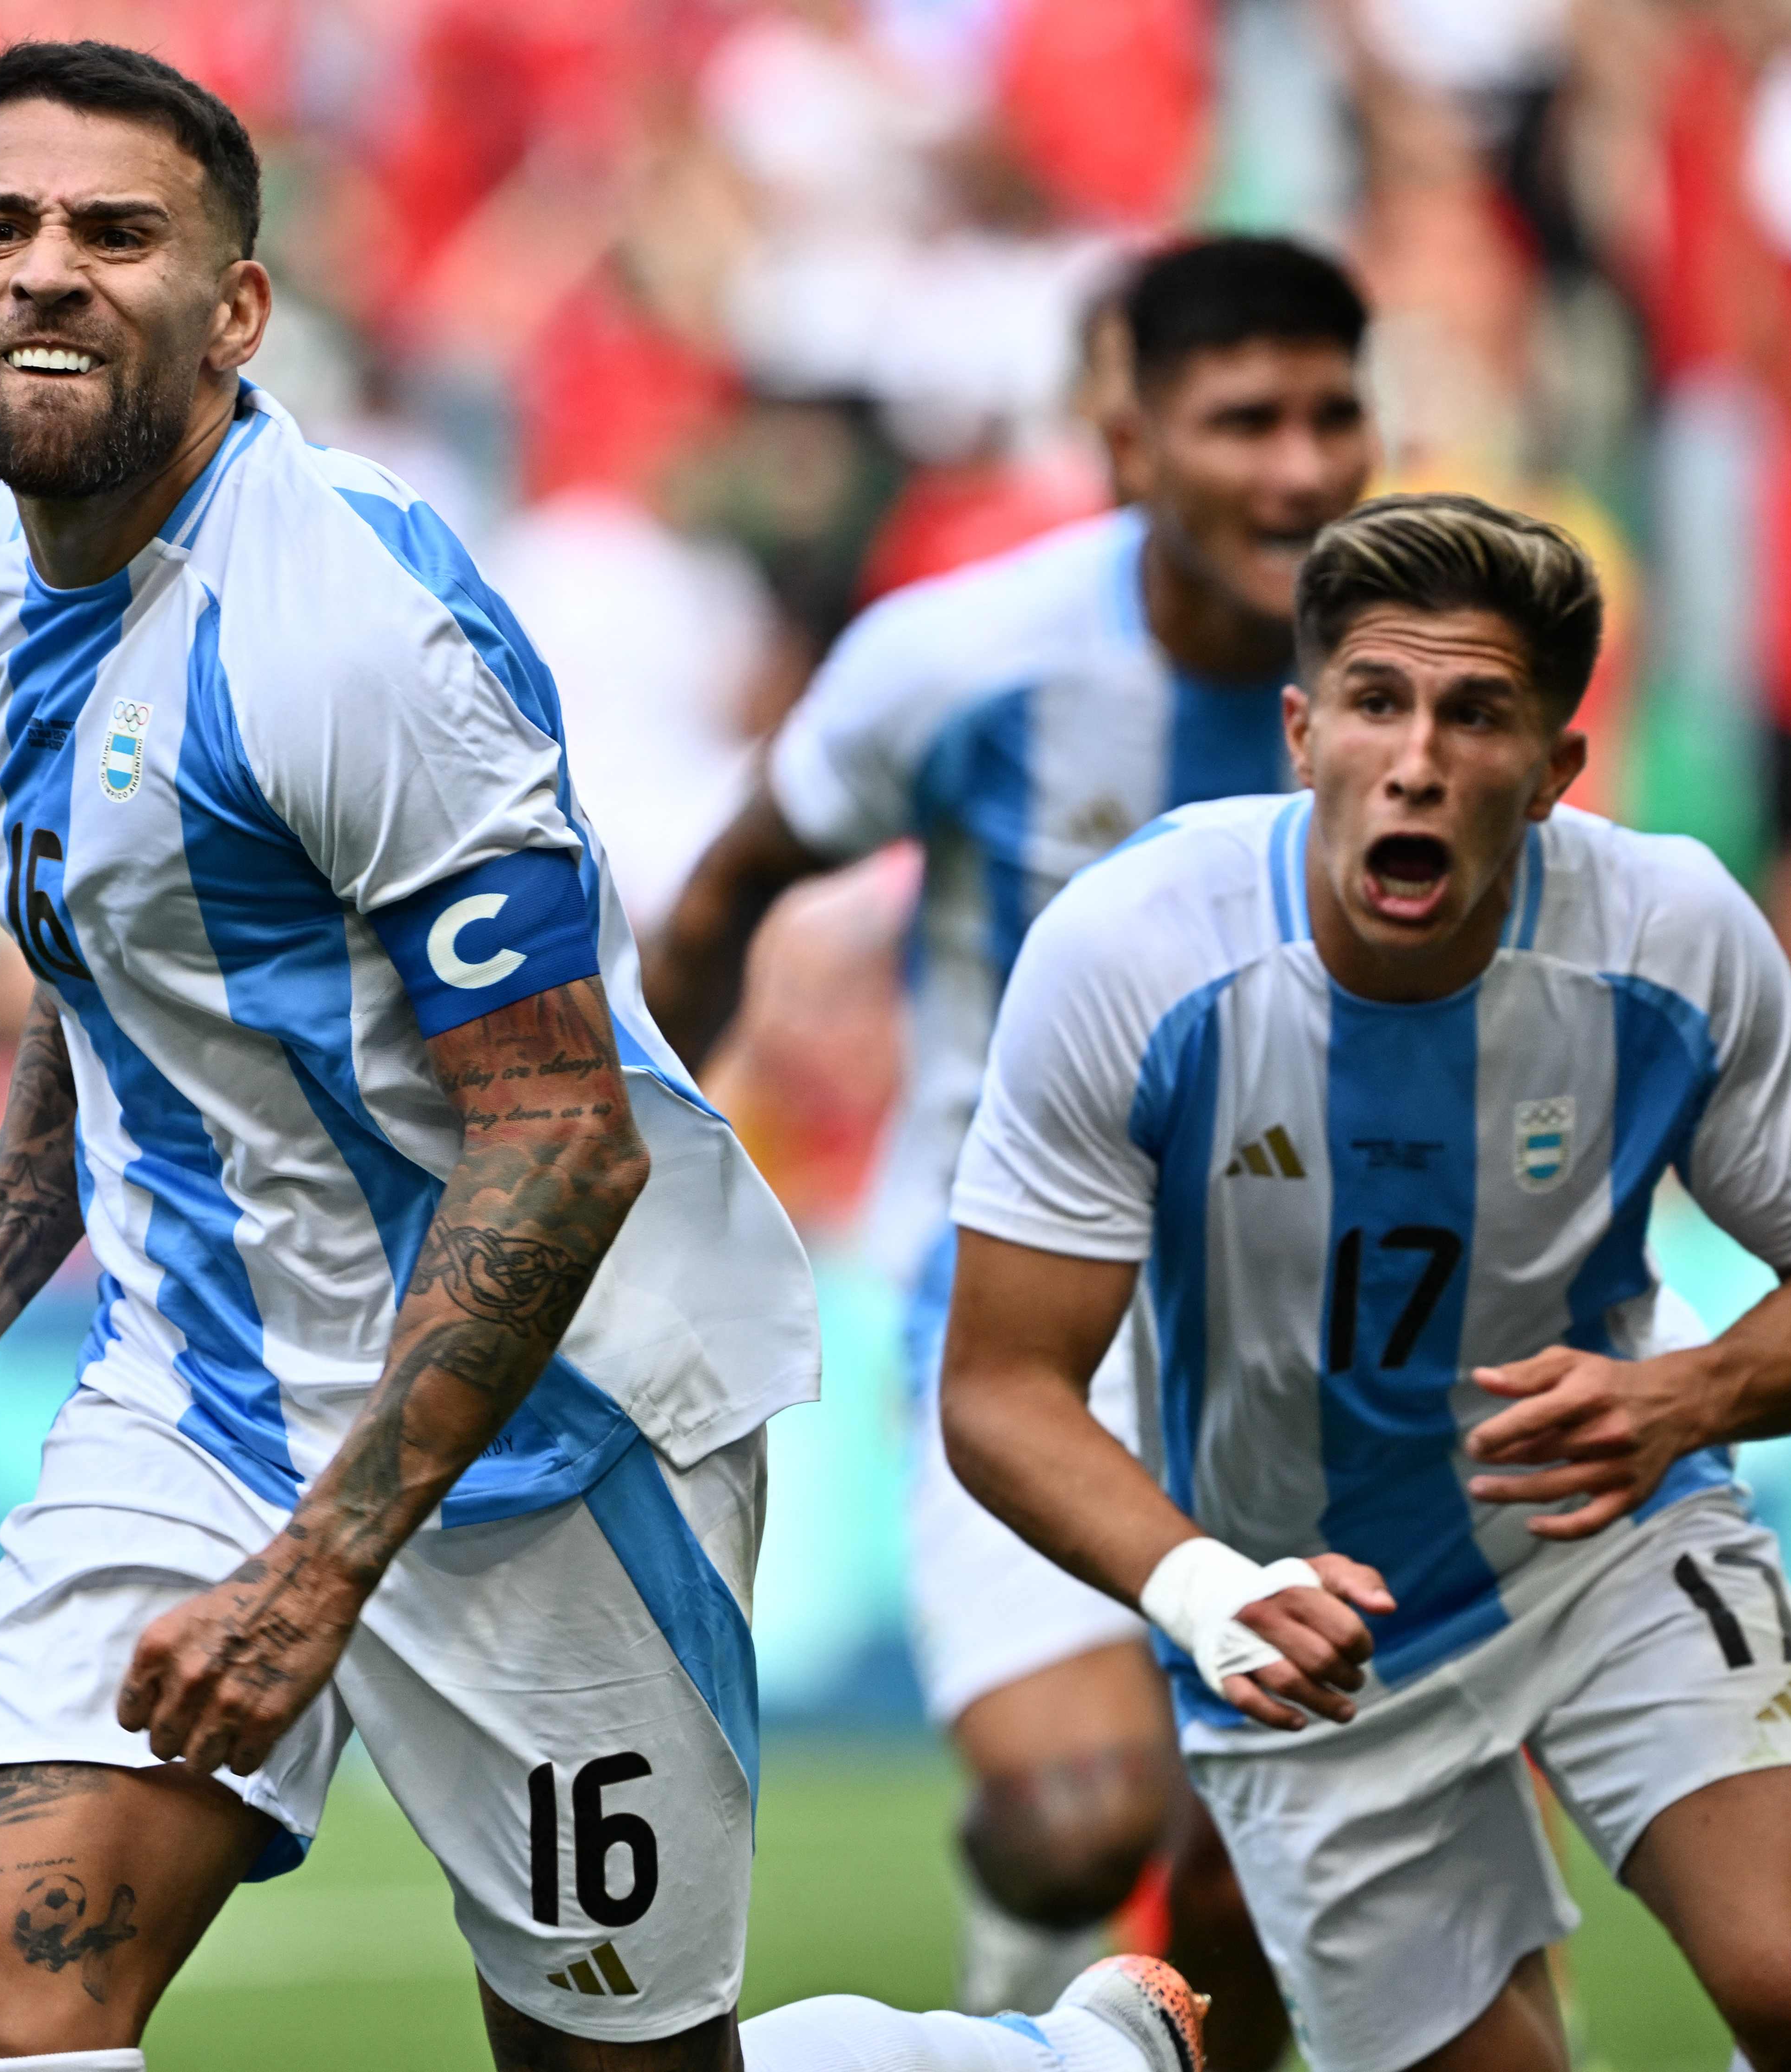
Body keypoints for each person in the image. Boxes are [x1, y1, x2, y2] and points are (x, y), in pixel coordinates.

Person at [0, 40, 1213, 2072]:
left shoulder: (352, 630)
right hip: (200, 1399)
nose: (46, 273)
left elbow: (563, 1136)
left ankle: (1040, 2062)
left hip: (550, 1439)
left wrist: (322, 1569)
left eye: (117, 232)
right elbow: (114, 950)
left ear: (238, 307)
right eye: (0, 225)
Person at [941, 492, 1791, 2072]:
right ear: (1301, 729)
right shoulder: (1136, 951)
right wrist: (1212, 1593)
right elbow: (999, 1388)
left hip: (1599, 1542)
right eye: (1378, 702)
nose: (1417, 758)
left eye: (1478, 715)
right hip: (1305, 1630)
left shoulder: (1672, 939)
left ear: (1554, 773)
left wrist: (1689, 1395)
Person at [644, 235, 1374, 2050]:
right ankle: (1028, 1927)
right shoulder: (966, 661)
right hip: (1030, 1310)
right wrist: (632, 1173)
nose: (1293, 469)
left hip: (1320, 1327)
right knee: (1078, 1829)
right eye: (1241, 420)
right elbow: (737, 882)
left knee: (1281, 1847)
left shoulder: (1417, 673)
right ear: (1128, 440)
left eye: (1329, 415)